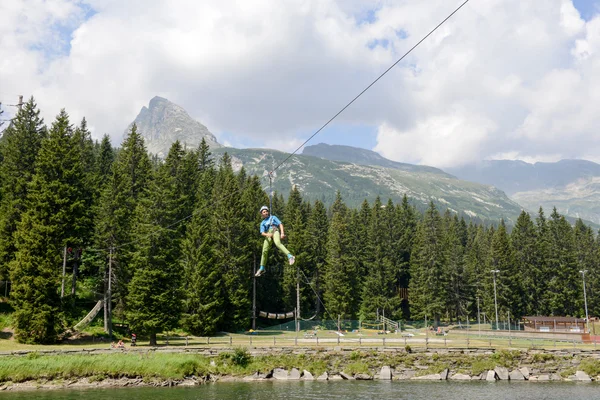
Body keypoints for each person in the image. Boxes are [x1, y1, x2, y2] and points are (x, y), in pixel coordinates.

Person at [255, 205, 295, 277]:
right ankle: (262, 268)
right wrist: (268, 235)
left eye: (266, 211)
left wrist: (282, 233)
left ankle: (290, 256)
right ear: (262, 214)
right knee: (264, 250)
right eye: (264, 212)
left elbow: (280, 224)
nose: (265, 213)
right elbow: (262, 233)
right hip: (268, 234)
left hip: (274, 230)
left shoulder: (273, 218)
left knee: (277, 243)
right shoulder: (262, 223)